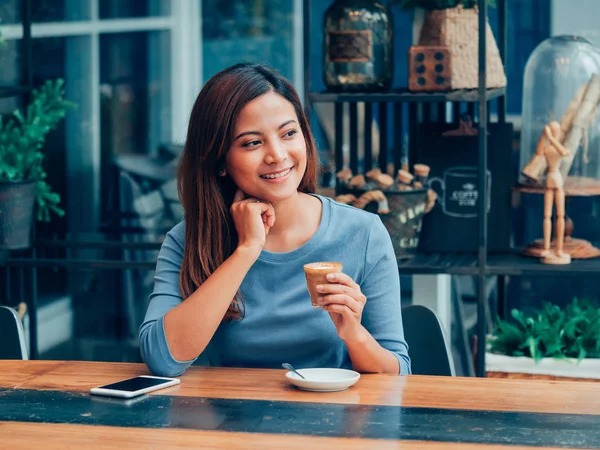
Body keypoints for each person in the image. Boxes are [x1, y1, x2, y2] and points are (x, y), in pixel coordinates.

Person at [139, 63, 411, 377]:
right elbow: (162, 359)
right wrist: (247, 250)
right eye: (252, 143)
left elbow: (397, 373)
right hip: (229, 419)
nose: (277, 155)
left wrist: (352, 332)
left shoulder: (362, 233)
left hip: (335, 420)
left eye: (288, 134)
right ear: (220, 161)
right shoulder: (190, 239)